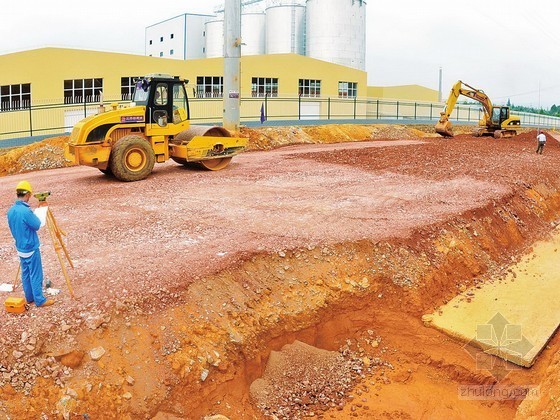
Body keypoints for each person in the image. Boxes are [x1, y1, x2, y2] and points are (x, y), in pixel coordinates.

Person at [6, 181, 54, 307]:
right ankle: (39, 300)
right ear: (27, 194)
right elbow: (37, 225)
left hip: (20, 247)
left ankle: (29, 298)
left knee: (26, 273)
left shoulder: (11, 211)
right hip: (30, 248)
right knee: (35, 274)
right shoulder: (25, 211)